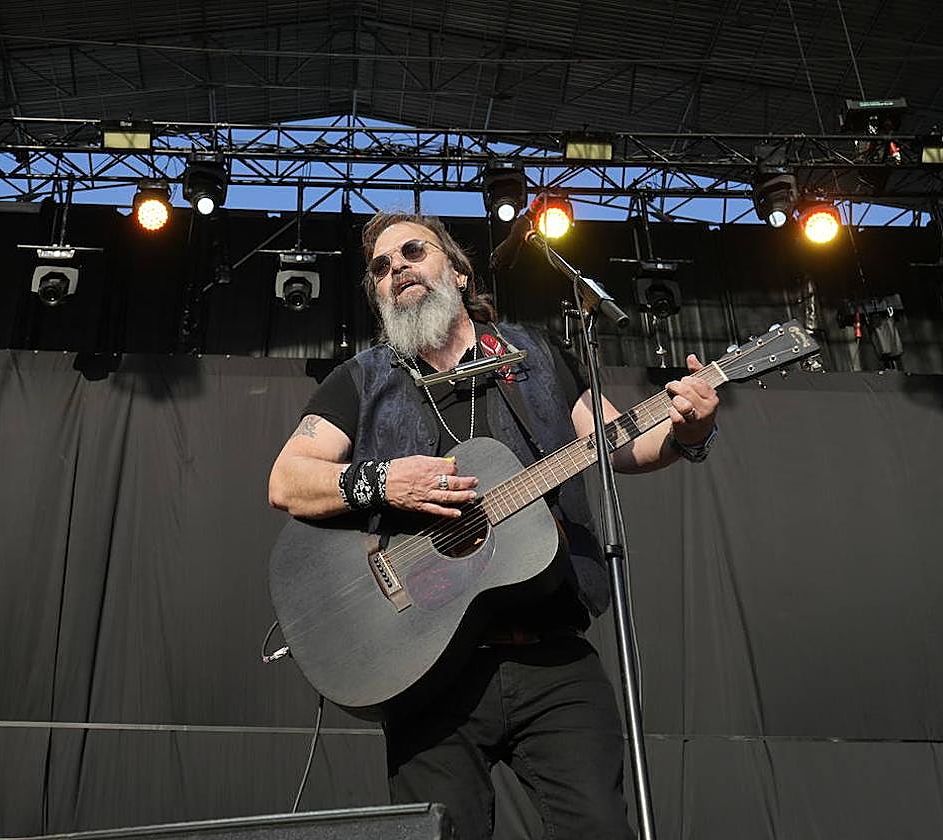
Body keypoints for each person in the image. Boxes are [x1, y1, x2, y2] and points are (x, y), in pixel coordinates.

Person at [267, 212, 719, 840]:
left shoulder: (534, 357)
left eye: (412, 252)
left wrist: (689, 429)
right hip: (425, 673)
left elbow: (621, 445)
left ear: (456, 270)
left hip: (553, 658)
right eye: (380, 267)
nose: (396, 268)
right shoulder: (362, 380)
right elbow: (287, 480)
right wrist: (383, 479)